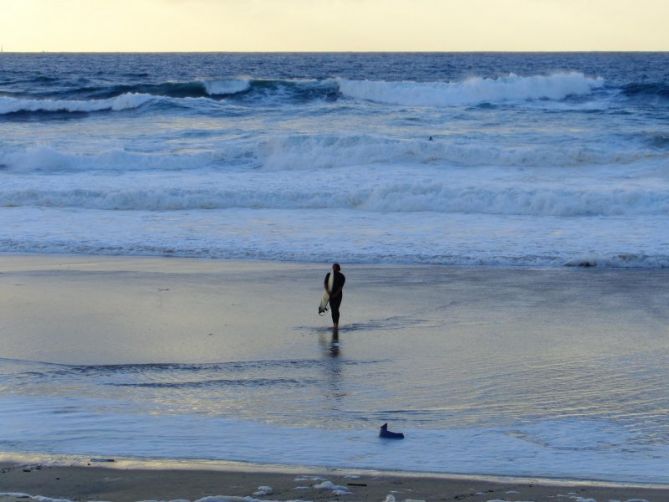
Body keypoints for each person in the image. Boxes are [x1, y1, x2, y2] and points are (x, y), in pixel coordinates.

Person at [323, 263, 345, 330]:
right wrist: (328, 292)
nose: (334, 268)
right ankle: (334, 324)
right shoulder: (328, 275)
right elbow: (325, 284)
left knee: (336, 309)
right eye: (333, 267)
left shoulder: (342, 276)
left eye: (335, 267)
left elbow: (340, 287)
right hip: (330, 294)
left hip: (338, 295)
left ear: (339, 269)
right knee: (333, 310)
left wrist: (335, 294)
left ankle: (336, 324)